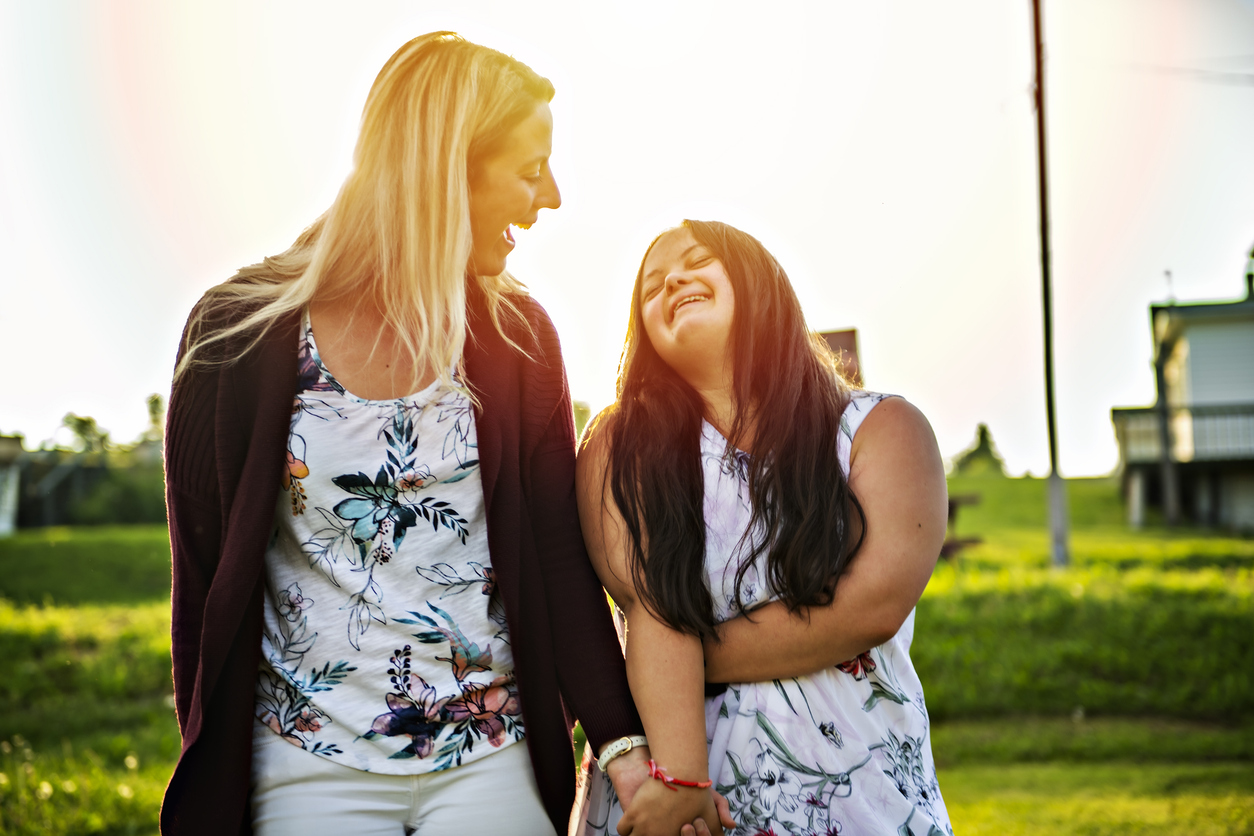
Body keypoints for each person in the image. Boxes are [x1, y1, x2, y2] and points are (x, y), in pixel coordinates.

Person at [161, 32, 656, 835]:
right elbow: (205, 583)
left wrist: (626, 752)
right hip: (304, 767)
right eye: (530, 172)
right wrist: (212, 775)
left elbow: (561, 558)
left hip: (491, 759)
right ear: (446, 168)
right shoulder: (236, 334)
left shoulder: (519, 336)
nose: (552, 197)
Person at [574, 220, 953, 836]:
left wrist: (677, 658)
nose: (673, 280)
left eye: (697, 260)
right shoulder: (617, 447)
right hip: (681, 810)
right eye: (652, 285)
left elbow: (871, 608)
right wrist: (681, 784)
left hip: (865, 803)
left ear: (756, 279)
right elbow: (648, 603)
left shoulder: (882, 429)